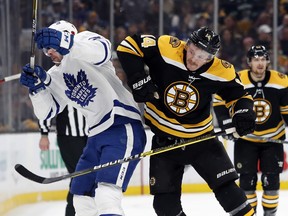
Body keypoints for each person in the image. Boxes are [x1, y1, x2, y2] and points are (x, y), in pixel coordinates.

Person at [116, 26, 256, 215]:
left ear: (211, 57)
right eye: (192, 51)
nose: (193, 59)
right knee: (165, 207)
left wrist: (243, 113)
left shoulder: (221, 71)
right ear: (187, 44)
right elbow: (129, 45)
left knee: (229, 194)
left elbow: (240, 96)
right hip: (165, 142)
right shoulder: (167, 47)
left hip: (201, 140)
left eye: (201, 57)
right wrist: (137, 78)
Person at [19, 20, 146, 216]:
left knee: (106, 194)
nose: (49, 53)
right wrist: (37, 89)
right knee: (81, 198)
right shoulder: (55, 74)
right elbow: (47, 112)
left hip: (122, 126)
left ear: (67, 36)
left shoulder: (84, 41)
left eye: (51, 47)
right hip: (95, 136)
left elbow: (101, 50)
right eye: (45, 50)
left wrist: (65, 43)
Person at [214, 45, 288, 215]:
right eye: (256, 60)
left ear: (268, 61)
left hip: (273, 139)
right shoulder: (238, 80)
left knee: (272, 182)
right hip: (246, 140)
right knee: (247, 182)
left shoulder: (282, 81)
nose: (260, 63)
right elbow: (219, 100)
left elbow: (286, 110)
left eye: (263, 59)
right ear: (249, 62)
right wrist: (227, 124)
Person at [38, 104, 88, 216]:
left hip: (92, 135)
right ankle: (72, 212)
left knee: (90, 177)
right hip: (68, 136)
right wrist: (44, 133)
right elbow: (45, 105)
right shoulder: (60, 85)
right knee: (79, 176)